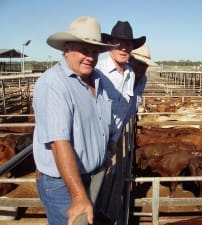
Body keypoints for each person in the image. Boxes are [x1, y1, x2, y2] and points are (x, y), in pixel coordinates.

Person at [32, 16, 118, 225]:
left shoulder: (100, 79)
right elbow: (58, 142)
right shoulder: (54, 84)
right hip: (63, 183)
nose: (90, 57)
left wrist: (108, 148)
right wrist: (79, 196)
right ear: (67, 48)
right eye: (83, 50)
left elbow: (102, 121)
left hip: (93, 174)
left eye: (95, 51)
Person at [95, 20, 146, 142]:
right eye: (118, 44)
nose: (123, 48)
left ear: (132, 48)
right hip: (96, 141)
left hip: (113, 142)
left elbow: (127, 110)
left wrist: (115, 139)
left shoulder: (131, 74)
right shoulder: (98, 71)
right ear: (110, 45)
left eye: (128, 45)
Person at [124, 44, 157, 124]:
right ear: (130, 60)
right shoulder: (121, 76)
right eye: (138, 63)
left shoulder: (143, 79)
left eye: (144, 65)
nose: (141, 67)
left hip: (124, 124)